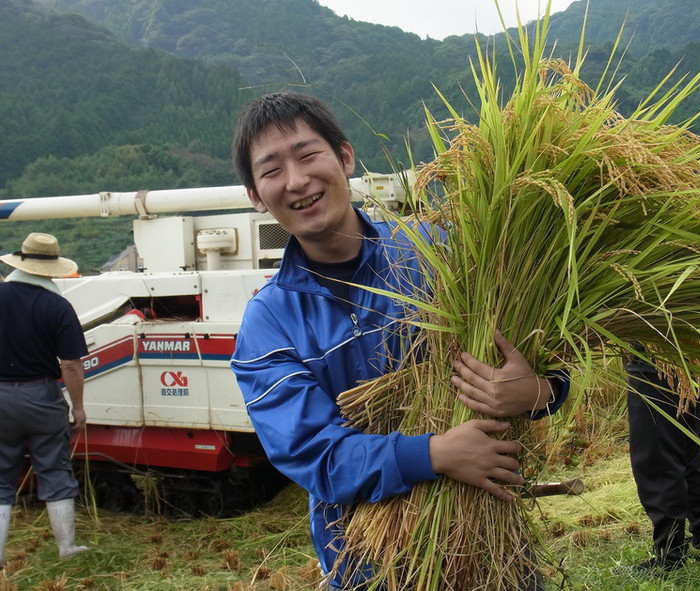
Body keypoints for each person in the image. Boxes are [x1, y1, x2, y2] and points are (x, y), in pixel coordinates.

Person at [229, 91, 569, 589]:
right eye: (272, 170)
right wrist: (434, 454)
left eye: (307, 155)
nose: (297, 181)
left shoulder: (440, 251)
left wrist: (536, 392)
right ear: (255, 194)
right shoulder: (268, 323)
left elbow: (550, 365)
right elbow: (314, 455)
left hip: (493, 544)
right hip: (365, 559)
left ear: (345, 157)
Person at [0, 232, 89, 566]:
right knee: (54, 470)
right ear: (52, 266)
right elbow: (69, 364)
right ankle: (67, 548)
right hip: (41, 397)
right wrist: (78, 407)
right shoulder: (58, 305)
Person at [624, 351, 700, 574]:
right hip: (691, 361)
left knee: (656, 462)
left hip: (655, 368)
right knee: (687, 454)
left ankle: (669, 559)